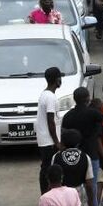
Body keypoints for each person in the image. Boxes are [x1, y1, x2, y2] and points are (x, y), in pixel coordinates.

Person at [61, 87, 103, 206]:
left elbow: (64, 135)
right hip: (91, 155)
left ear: (75, 99)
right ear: (88, 98)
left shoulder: (68, 116)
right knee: (92, 186)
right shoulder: (94, 114)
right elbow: (99, 132)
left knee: (75, 188)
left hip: (74, 156)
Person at [37, 67, 63, 195]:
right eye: (60, 77)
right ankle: (45, 195)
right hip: (48, 140)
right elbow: (50, 120)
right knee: (47, 168)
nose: (61, 80)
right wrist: (56, 141)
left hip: (44, 139)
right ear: (56, 79)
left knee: (46, 166)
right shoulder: (51, 97)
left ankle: (46, 193)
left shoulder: (44, 94)